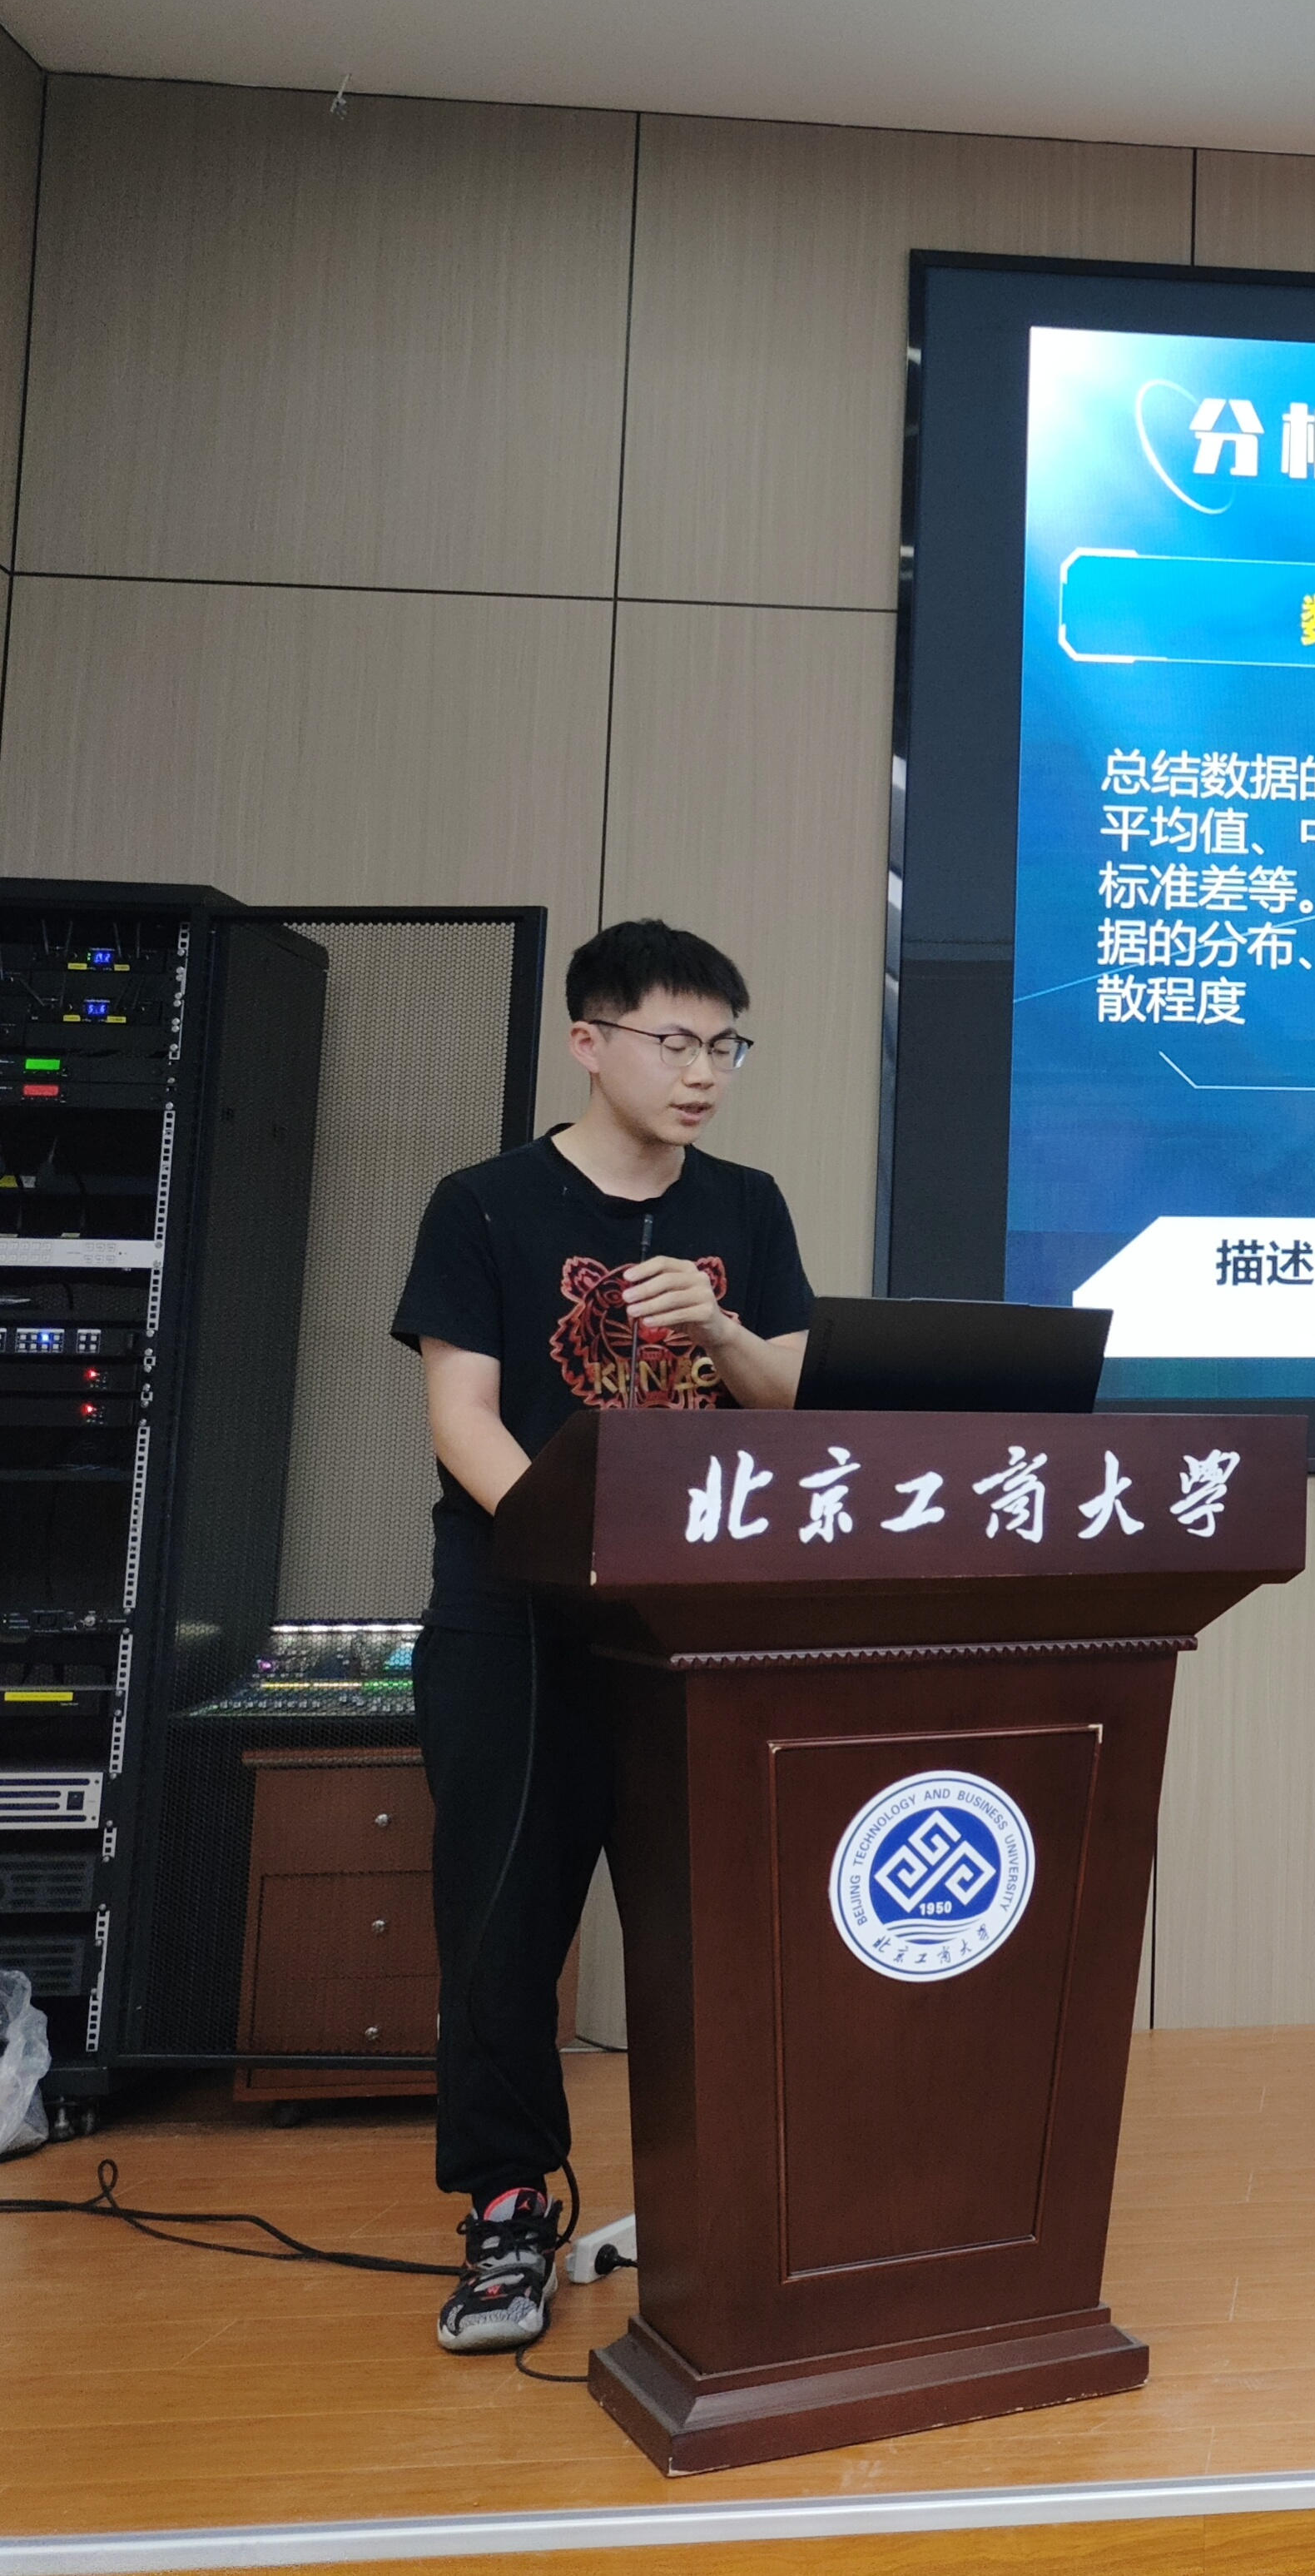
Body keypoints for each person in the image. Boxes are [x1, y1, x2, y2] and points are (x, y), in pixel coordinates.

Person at [387, 921, 813, 2353]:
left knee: (716, 1925)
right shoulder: (485, 1204)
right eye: (674, 1043)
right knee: (503, 1929)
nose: (704, 1075)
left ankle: (728, 2210)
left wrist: (724, 1330)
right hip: (518, 1618)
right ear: (590, 1041)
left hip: (697, 1625)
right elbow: (463, 1420)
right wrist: (581, 1557)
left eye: (726, 1047)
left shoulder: (746, 1206)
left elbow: (793, 1400)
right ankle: (507, 2216)